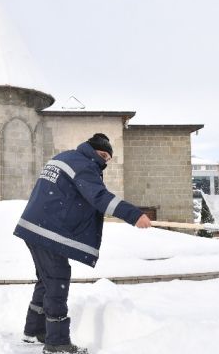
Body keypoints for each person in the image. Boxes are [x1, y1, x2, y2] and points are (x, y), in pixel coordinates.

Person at [13, 133, 152, 353]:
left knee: (47, 280)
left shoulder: (66, 157)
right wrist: (134, 215)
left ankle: (34, 330)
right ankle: (57, 343)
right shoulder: (84, 165)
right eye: (105, 156)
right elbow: (99, 197)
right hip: (48, 230)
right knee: (57, 278)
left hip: (36, 226)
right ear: (97, 152)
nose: (106, 162)